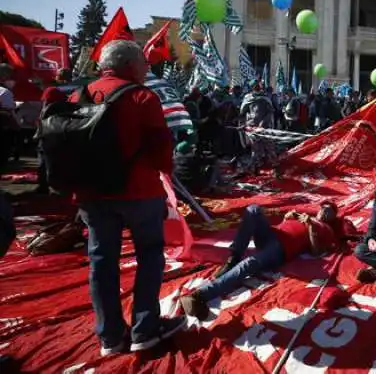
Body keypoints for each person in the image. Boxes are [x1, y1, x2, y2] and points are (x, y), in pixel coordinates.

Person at [70, 41, 185, 355]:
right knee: (149, 255)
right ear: (131, 66)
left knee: (101, 261)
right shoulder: (142, 97)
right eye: (144, 64)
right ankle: (144, 329)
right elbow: (162, 151)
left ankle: (110, 337)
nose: (147, 69)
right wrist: (164, 172)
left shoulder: (78, 94)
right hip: (138, 193)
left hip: (91, 195)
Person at [180, 201, 344, 320]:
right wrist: (289, 217)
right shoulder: (303, 216)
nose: (325, 211)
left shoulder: (326, 229)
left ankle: (200, 295)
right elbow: (283, 224)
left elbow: (316, 251)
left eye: (330, 211)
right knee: (253, 209)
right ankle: (234, 256)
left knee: (249, 263)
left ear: (332, 217)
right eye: (324, 207)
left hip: (281, 249)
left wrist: (311, 226)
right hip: (271, 235)